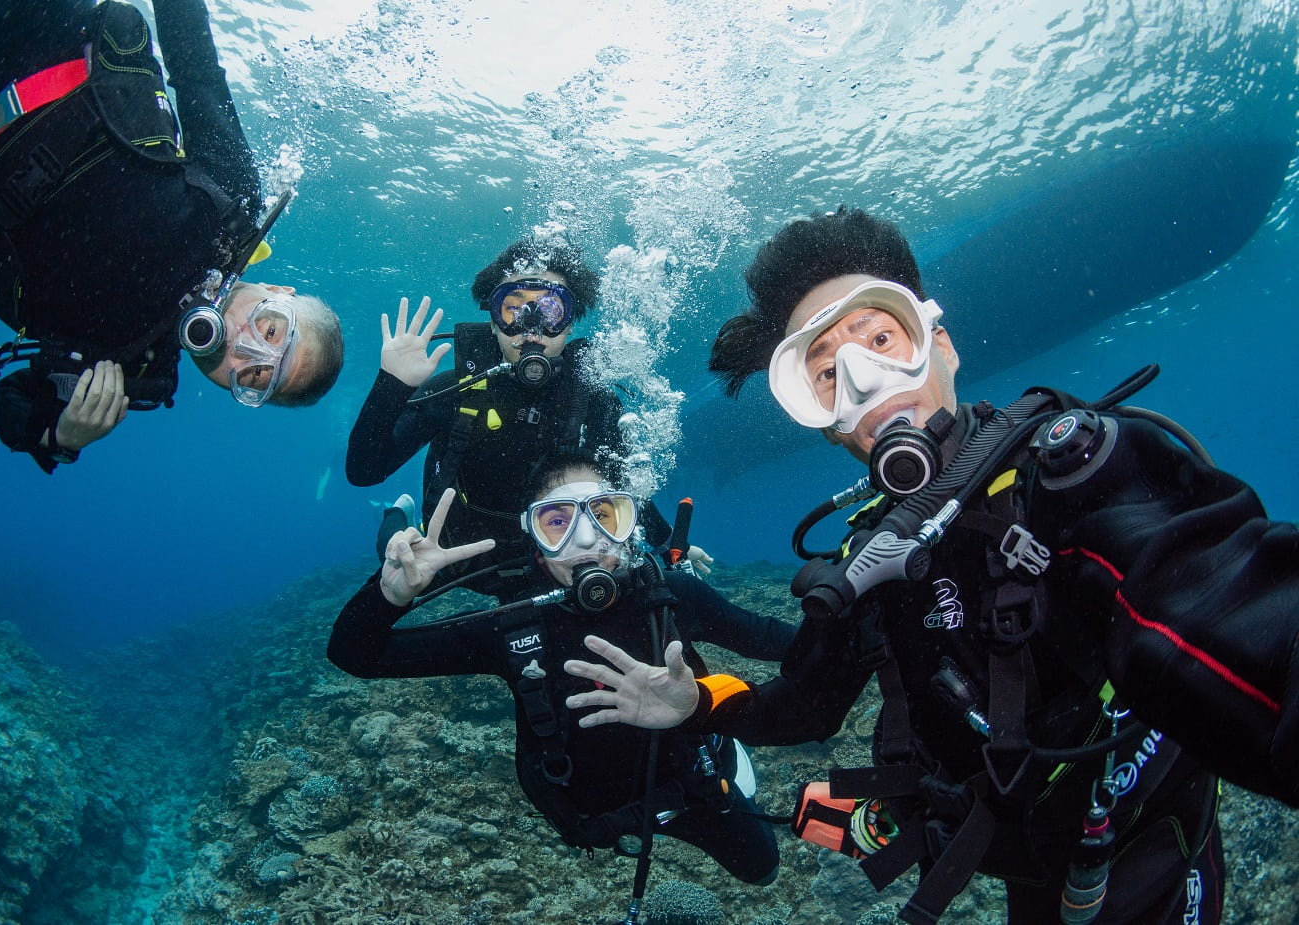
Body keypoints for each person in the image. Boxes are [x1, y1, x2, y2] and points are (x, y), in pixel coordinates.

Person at [564, 207, 1299, 924]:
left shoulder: (1073, 481)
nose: (864, 381)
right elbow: (804, 704)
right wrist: (693, 703)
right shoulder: (866, 560)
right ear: (821, 425)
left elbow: (1230, 605)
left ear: (939, 345)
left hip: (1139, 852)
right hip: (1016, 854)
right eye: (826, 374)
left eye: (883, 339)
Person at [0, 0, 344, 474]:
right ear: (278, 292)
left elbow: (6, 402)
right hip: (45, 36)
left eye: (255, 377)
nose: (240, 345)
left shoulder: (132, 368)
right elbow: (194, 65)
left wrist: (61, 435)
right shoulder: (231, 206)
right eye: (271, 329)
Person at [327, 453, 794, 888]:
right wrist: (390, 595)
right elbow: (356, 655)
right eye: (558, 522)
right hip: (590, 812)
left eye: (604, 517)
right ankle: (392, 515)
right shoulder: (514, 624)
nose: (586, 541)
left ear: (628, 526)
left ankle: (729, 752)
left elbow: (782, 642)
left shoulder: (672, 597)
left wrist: (852, 603)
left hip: (693, 788)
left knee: (762, 869)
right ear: (534, 537)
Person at [345, 235, 707, 598]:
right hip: (459, 554)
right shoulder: (458, 388)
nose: (531, 330)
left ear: (569, 324)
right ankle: (395, 513)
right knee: (394, 572)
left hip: (556, 558)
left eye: (550, 311)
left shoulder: (591, 396)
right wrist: (391, 385)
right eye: (513, 310)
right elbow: (365, 470)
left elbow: (623, 483)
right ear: (492, 321)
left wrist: (668, 545)